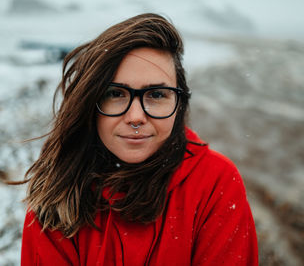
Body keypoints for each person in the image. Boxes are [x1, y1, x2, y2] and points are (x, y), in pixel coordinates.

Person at [20, 13, 258, 265]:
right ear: (90, 102)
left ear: (179, 103)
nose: (136, 116)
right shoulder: (59, 192)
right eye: (116, 93)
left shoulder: (214, 183)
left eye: (156, 94)